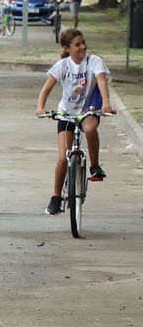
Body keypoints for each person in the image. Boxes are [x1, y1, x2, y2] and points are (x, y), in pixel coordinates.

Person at [36, 29, 112, 214]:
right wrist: (41, 107)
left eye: (83, 42)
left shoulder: (94, 61)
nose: (82, 47)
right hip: (66, 114)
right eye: (77, 44)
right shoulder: (62, 66)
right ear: (67, 48)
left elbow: (102, 82)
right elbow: (45, 90)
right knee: (63, 158)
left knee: (91, 128)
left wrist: (107, 104)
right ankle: (55, 197)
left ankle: (94, 166)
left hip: (89, 111)